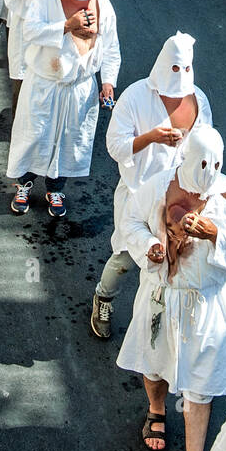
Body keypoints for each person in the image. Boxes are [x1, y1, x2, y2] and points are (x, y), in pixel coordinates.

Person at [116, 126, 226, 451]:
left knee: (201, 382)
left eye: (215, 166)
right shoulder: (158, 186)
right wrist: (149, 244)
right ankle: (157, 410)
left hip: (205, 303)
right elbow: (131, 220)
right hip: (162, 295)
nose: (207, 175)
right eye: (202, 165)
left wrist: (215, 234)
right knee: (153, 360)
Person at [92, 32, 211, 339]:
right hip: (140, 195)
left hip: (179, 200)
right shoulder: (135, 97)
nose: (180, 78)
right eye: (175, 69)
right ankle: (103, 297)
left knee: (175, 264)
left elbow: (206, 148)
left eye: (185, 70)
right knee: (127, 258)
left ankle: (161, 327)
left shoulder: (199, 101)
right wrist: (152, 137)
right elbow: (115, 147)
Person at [7, 0, 120, 220]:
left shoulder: (102, 5)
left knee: (69, 139)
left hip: (79, 88)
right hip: (45, 85)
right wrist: (67, 26)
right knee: (35, 136)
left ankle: (56, 188)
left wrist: (107, 81)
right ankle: (24, 184)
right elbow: (30, 31)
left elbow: (112, 46)